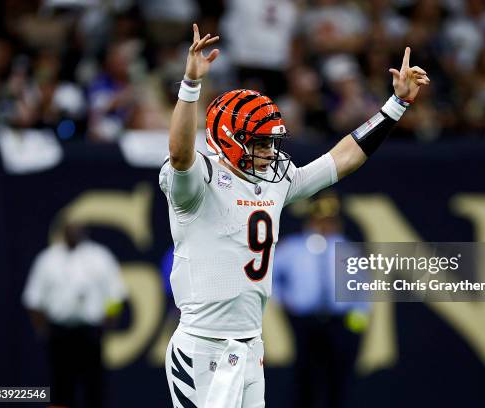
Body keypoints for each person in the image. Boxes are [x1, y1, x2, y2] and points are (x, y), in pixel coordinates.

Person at [159, 23, 429, 408]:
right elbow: (181, 153)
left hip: (250, 346)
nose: (269, 151)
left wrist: (396, 105)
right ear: (230, 139)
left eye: (271, 141)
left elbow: (341, 160)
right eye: (259, 142)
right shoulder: (197, 183)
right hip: (202, 346)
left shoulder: (274, 182)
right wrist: (190, 85)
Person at [273, 191, 368, 408]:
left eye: (329, 219)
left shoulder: (348, 249)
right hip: (304, 320)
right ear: (310, 219)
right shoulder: (293, 247)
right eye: (319, 218)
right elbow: (270, 276)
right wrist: (284, 301)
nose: (324, 224)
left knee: (338, 379)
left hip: (340, 321)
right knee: (305, 378)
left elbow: (362, 286)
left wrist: (358, 318)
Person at [22, 223, 127, 408]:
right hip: (59, 333)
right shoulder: (48, 259)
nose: (73, 233)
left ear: (85, 231)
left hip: (90, 332)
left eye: (77, 229)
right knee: (60, 388)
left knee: (94, 388)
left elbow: (115, 293)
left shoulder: (100, 257)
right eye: (69, 229)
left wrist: (108, 323)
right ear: (62, 232)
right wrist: (43, 329)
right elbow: (33, 299)